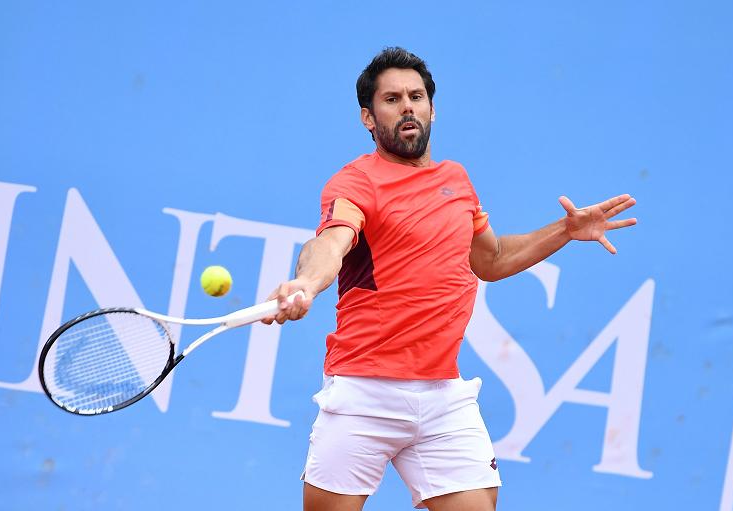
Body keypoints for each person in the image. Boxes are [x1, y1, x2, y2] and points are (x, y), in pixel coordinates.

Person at [262, 47, 637, 511]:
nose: (407, 107)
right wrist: (305, 282)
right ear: (368, 118)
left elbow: (491, 260)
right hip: (364, 390)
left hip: (442, 395)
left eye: (416, 97)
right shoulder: (355, 182)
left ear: (432, 109)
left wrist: (565, 230)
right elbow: (331, 243)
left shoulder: (456, 179)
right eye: (392, 99)